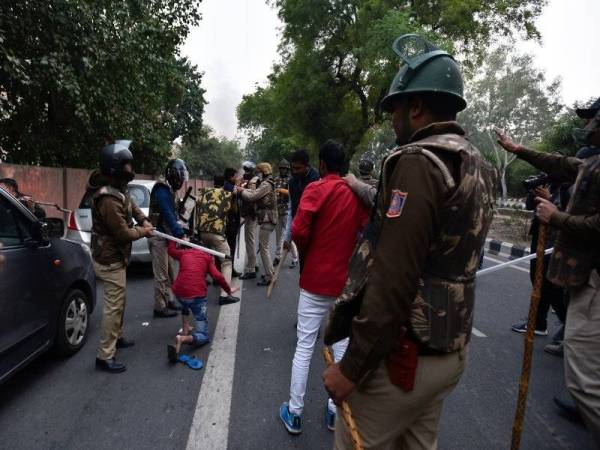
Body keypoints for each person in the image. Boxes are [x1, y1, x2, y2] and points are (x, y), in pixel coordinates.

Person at [323, 34, 495, 449]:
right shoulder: (475, 164)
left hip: (405, 359)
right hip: (448, 352)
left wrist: (352, 367)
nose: (391, 119)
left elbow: (392, 279)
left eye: (394, 108)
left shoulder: (418, 162)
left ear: (416, 106)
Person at [495, 96, 600, 446]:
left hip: (595, 280)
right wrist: (518, 148)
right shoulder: (592, 163)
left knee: (584, 381)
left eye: (593, 119)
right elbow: (558, 162)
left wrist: (556, 218)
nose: (588, 126)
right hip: (583, 277)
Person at [279, 140, 368, 435]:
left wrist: (308, 254)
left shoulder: (314, 189)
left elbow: (299, 231)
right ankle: (334, 413)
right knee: (341, 347)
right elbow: (366, 233)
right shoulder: (356, 194)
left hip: (314, 281)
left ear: (323, 164)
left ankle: (294, 413)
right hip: (344, 285)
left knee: (304, 347)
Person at [90, 142, 154, 373]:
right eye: (126, 164)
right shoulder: (107, 199)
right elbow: (123, 234)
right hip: (109, 258)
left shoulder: (119, 188)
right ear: (115, 168)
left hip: (116, 256)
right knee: (113, 307)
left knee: (120, 302)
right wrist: (144, 232)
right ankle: (104, 355)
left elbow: (133, 207)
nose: (130, 168)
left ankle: (116, 337)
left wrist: (144, 220)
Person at [510, 180, 566, 337]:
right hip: (540, 237)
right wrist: (534, 193)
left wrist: (550, 198)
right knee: (538, 281)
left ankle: (568, 325)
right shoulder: (549, 184)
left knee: (551, 287)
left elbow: (568, 214)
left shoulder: (568, 187)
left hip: (555, 242)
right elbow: (530, 206)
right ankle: (539, 323)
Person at [166, 240, 239, 360]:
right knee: (204, 335)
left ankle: (185, 329)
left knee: (185, 302)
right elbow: (218, 276)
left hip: (179, 293)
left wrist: (174, 239)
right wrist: (228, 290)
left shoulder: (184, 253)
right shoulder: (207, 256)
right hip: (196, 296)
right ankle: (183, 338)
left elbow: (171, 250)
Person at [148, 159, 189, 318]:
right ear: (175, 175)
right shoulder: (162, 191)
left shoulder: (169, 190)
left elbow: (173, 213)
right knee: (161, 274)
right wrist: (181, 234)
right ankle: (160, 306)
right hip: (158, 236)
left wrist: (180, 209)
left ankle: (169, 300)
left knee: (171, 271)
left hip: (166, 236)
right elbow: (168, 215)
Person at [196, 175, 239, 305]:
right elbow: (233, 211)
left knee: (207, 259)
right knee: (226, 261)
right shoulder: (226, 194)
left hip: (202, 232)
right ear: (224, 183)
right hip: (216, 232)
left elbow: (197, 210)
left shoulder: (203, 192)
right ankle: (225, 294)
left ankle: (200, 287)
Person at [237, 162, 278, 287]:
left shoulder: (266, 184)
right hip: (266, 218)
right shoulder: (268, 182)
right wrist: (244, 189)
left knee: (263, 247)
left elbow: (253, 196)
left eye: (258, 171)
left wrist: (241, 191)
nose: (256, 174)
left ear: (263, 172)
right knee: (262, 246)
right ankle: (269, 273)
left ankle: (270, 276)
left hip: (268, 218)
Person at [282, 150, 320, 269]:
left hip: (316, 233)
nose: (295, 171)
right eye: (293, 168)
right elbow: (291, 209)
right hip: (301, 233)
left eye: (298, 168)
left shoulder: (318, 181)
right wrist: (287, 237)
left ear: (307, 166)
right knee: (303, 269)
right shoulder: (292, 182)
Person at [273, 159, 299, 267]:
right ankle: (277, 256)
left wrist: (280, 190)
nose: (283, 170)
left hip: (287, 211)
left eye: (285, 168)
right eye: (281, 168)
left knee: (288, 236)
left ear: (287, 169)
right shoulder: (276, 179)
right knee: (278, 236)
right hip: (277, 210)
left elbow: (292, 194)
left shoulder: (291, 180)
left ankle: (295, 257)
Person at [239, 161, 260, 280]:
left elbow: (252, 197)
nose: (245, 172)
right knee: (250, 239)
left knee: (249, 240)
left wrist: (241, 190)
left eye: (248, 170)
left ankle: (251, 268)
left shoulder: (254, 181)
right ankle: (255, 263)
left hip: (252, 214)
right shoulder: (248, 180)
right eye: (245, 170)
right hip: (249, 214)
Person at [223, 167, 241, 276]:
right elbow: (236, 193)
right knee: (230, 247)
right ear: (230, 177)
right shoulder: (228, 187)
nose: (237, 178)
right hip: (230, 222)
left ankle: (229, 269)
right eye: (235, 176)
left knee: (228, 247)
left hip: (231, 221)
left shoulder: (228, 186)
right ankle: (229, 270)